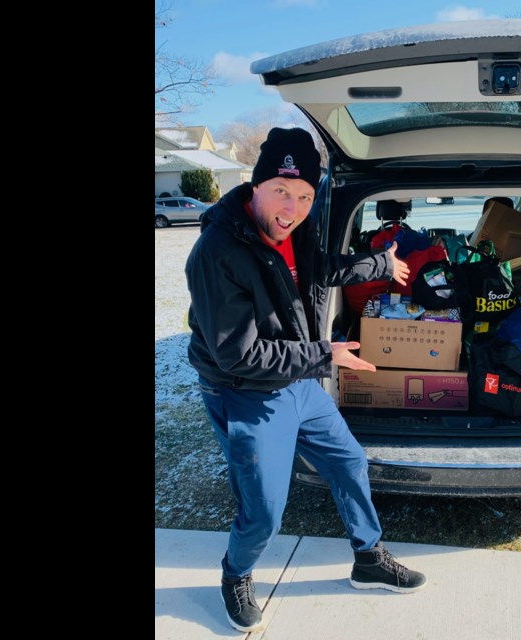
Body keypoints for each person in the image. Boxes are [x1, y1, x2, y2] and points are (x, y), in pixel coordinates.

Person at [184, 127, 427, 634]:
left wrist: (380, 262)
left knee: (349, 462)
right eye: (281, 190)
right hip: (247, 392)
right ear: (255, 187)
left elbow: (320, 271)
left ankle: (367, 557)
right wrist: (325, 354)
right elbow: (238, 354)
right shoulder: (216, 252)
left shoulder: (300, 231)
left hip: (299, 381)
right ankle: (236, 575)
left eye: (304, 195)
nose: (291, 206)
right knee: (265, 510)